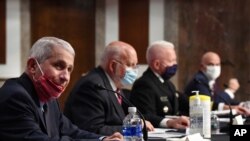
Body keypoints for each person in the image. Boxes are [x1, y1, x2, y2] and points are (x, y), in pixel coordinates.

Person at [0, 37, 123, 141]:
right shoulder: (15, 97)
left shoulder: (49, 98)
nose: (66, 77)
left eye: (69, 69)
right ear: (33, 66)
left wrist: (103, 139)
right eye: (59, 66)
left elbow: (71, 131)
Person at [64, 41, 154, 135]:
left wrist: (137, 122)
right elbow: (92, 130)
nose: (134, 71)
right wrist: (134, 127)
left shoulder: (114, 85)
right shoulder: (93, 86)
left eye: (135, 65)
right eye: (129, 65)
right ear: (113, 66)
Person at [129, 40, 190, 129]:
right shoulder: (144, 84)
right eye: (172, 61)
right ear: (157, 64)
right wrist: (169, 122)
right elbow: (145, 116)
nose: (175, 64)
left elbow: (182, 102)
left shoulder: (168, 83)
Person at [184, 51, 250, 116]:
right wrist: (230, 91)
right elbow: (210, 104)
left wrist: (243, 105)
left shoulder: (211, 81)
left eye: (217, 64)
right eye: (211, 64)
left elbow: (222, 100)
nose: (215, 68)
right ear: (202, 66)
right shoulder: (199, 81)